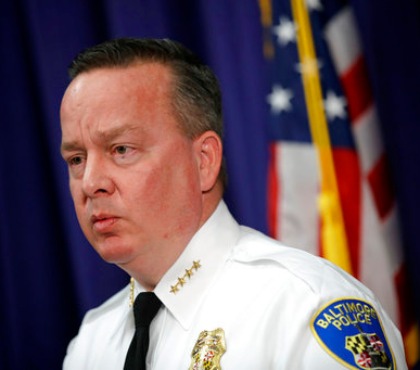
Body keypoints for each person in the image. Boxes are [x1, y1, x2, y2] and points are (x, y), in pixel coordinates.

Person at [61, 38, 407, 369]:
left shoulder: (306, 309)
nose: (90, 183)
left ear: (204, 161)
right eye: (76, 159)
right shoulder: (92, 341)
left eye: (121, 150)